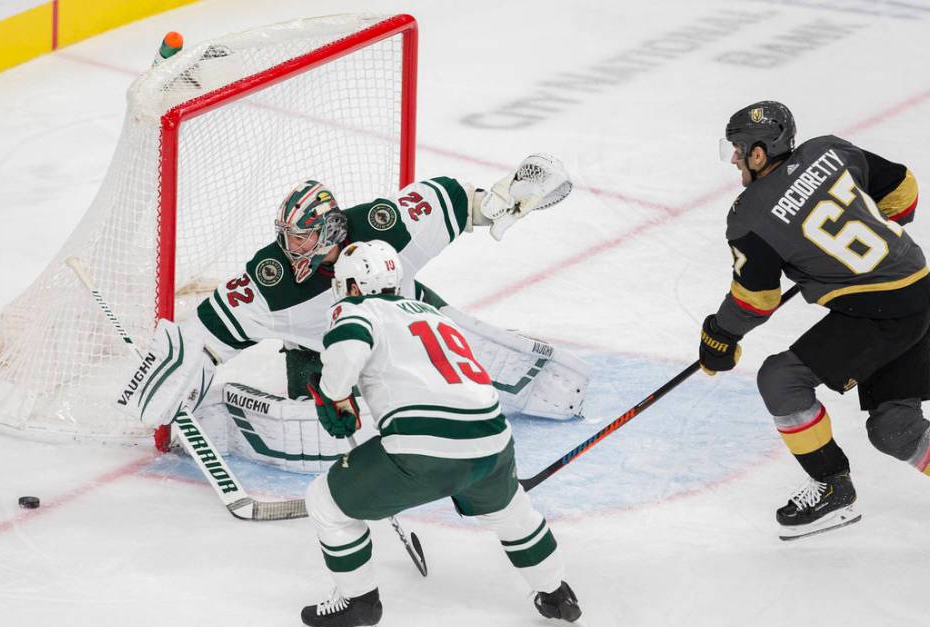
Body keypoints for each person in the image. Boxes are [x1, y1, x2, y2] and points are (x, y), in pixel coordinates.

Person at [115, 155, 590, 462]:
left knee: (516, 374)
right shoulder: (271, 278)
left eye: (300, 236)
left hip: (408, 324)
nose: (289, 245)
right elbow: (208, 332)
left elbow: (463, 204)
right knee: (324, 440)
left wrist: (508, 198)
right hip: (320, 354)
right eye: (286, 235)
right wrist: (180, 371)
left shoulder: (385, 224)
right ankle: (226, 420)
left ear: (329, 228)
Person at [300, 240, 585, 627]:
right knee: (512, 512)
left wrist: (333, 394)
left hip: (423, 453)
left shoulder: (358, 309)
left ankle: (359, 603)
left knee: (326, 503)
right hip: (494, 443)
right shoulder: (433, 314)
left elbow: (347, 351)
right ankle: (556, 593)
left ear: (352, 285)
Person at [700, 100, 930, 540]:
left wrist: (719, 337)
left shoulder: (749, 216)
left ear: (759, 153)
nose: (734, 157)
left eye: (738, 148)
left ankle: (832, 486)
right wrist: (872, 229)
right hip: (919, 292)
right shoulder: (829, 151)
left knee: (780, 379)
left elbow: (756, 299)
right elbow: (903, 189)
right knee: (895, 431)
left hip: (878, 313)